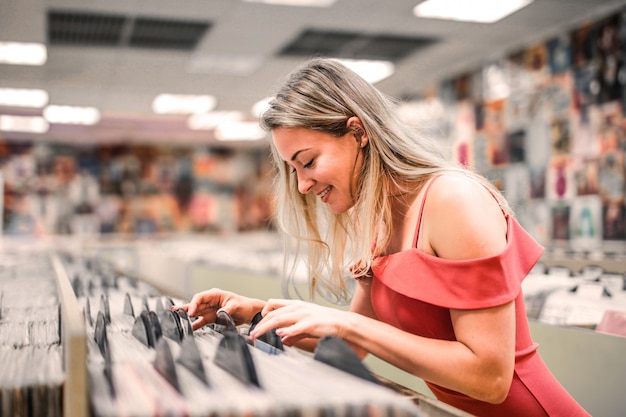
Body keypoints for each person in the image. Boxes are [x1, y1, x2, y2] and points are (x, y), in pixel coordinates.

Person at [178, 58, 590, 417]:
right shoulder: (378, 216)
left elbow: (491, 377)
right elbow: (352, 343)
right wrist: (254, 314)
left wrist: (347, 326)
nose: (302, 185)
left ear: (357, 132)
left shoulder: (453, 198)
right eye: (293, 170)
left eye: (307, 162)